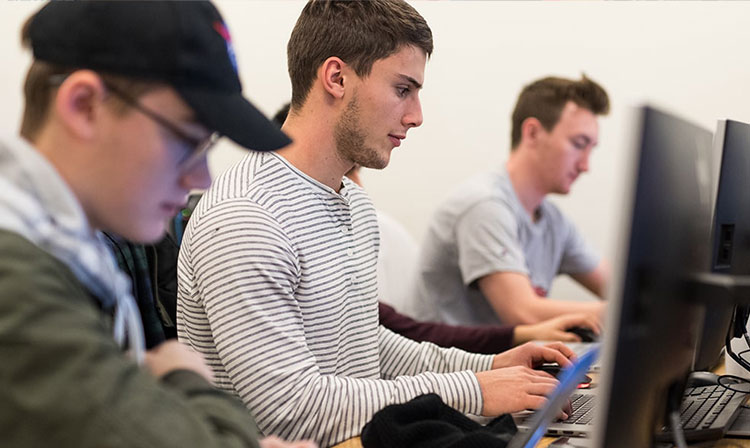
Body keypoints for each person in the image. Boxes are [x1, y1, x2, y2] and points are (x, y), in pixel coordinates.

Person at [177, 2, 575, 446]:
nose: (416, 115)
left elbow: (367, 348)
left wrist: (489, 367)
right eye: (403, 89)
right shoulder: (247, 218)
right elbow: (290, 411)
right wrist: (475, 391)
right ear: (337, 78)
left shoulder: (355, 206)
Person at [0, 2, 314, 447]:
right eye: (187, 139)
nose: (201, 178)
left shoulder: (73, 251)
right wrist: (186, 377)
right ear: (84, 105)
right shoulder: (16, 278)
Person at [409, 75, 610, 327]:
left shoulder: (552, 220)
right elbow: (523, 313)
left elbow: (616, 288)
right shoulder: (484, 205)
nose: (585, 165)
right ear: (533, 133)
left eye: (591, 149)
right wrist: (619, 313)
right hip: (454, 364)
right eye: (579, 144)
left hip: (500, 363)